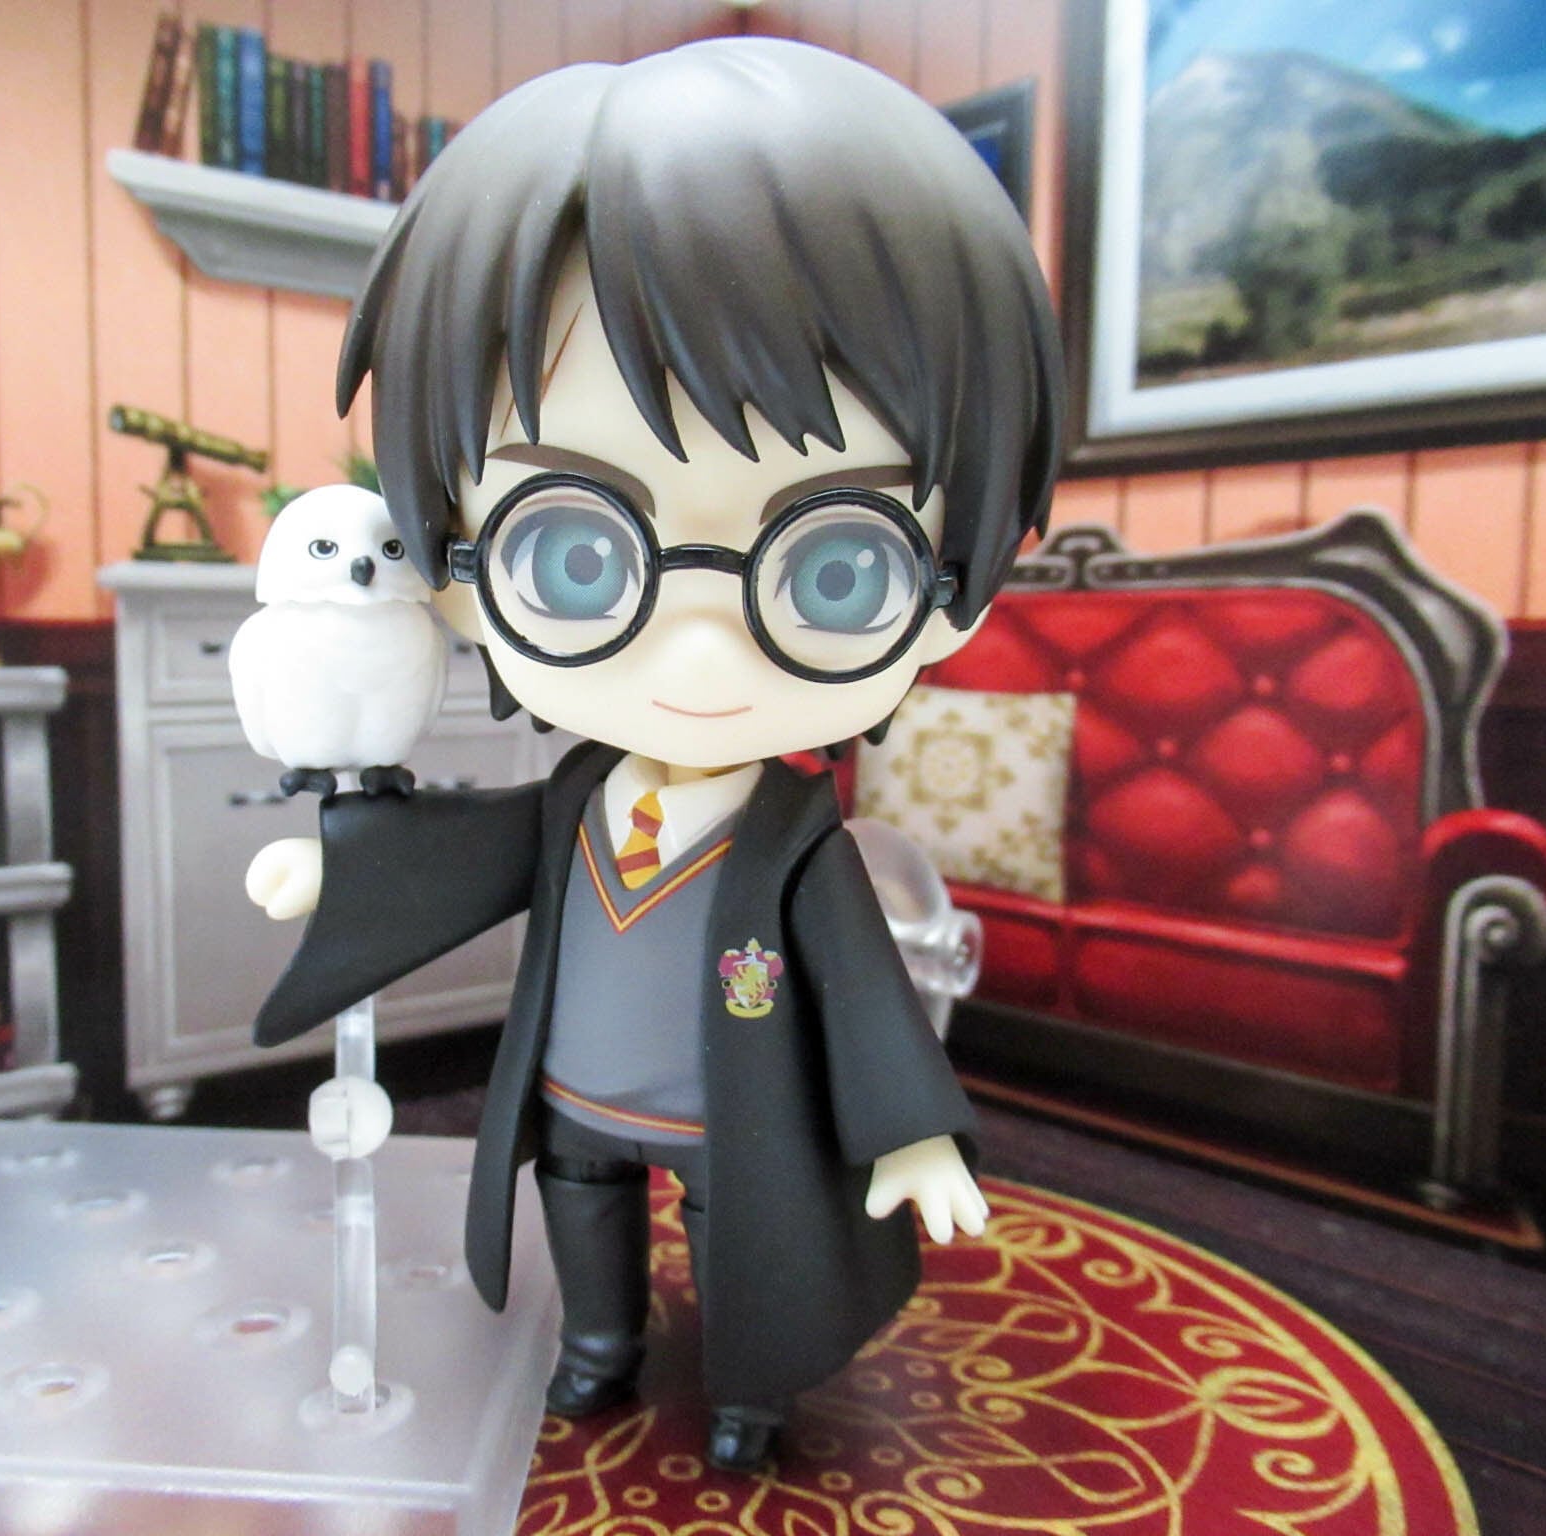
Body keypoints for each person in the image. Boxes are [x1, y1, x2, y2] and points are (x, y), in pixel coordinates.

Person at [242, 36, 1061, 1473]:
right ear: (455, 567)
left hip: (731, 1115)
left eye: (835, 570)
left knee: (750, 1237)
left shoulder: (797, 846)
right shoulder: (572, 804)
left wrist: (916, 1134)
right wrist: (334, 867)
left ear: (954, 598)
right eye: (574, 552)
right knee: (583, 1205)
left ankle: (748, 1382)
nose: (695, 657)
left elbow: (866, 996)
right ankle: (599, 1344)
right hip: (578, 1095)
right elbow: (464, 851)